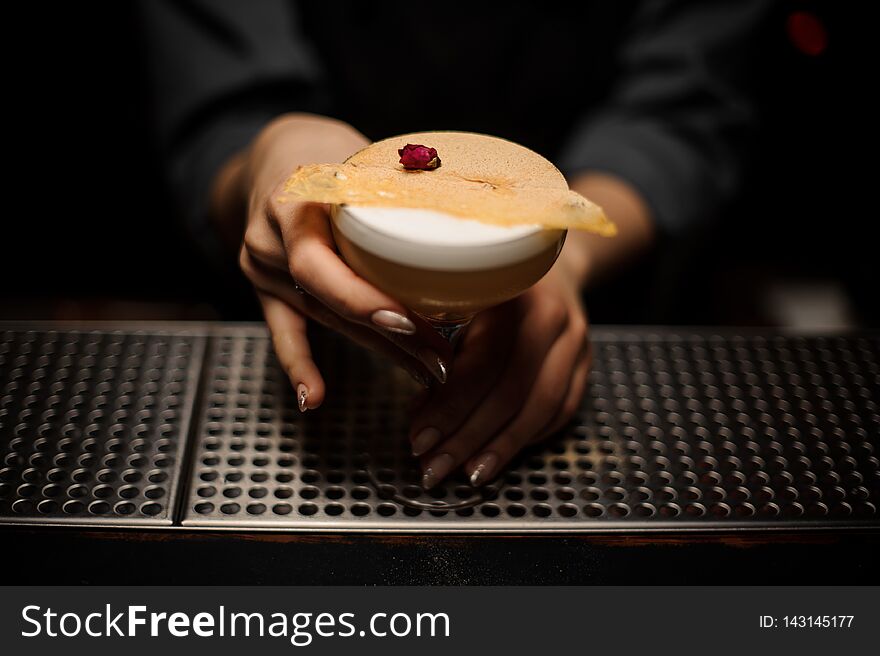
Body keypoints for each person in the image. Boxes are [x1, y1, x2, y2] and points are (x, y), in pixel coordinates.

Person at [140, 0, 766, 488]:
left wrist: (565, 259)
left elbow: (680, 109)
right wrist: (269, 156)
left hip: (603, 318)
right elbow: (220, 111)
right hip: (304, 352)